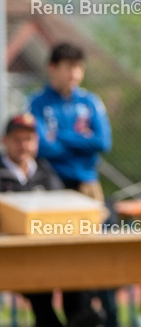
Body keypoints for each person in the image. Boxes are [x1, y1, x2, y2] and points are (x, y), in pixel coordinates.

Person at [28, 42, 117, 327]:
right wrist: (81, 142)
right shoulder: (37, 103)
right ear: (52, 68)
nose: (75, 74)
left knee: (91, 258)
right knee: (53, 257)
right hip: (52, 190)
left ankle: (97, 316)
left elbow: (102, 141)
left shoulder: (90, 102)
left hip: (88, 187)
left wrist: (61, 137)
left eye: (79, 68)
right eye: (69, 67)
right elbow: (42, 146)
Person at [0, 112, 67, 327]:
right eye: (17, 140)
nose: (23, 145)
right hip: (8, 255)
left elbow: (61, 208)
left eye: (28, 139)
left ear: (36, 142)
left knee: (76, 277)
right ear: (5, 141)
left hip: (45, 251)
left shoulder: (45, 172)